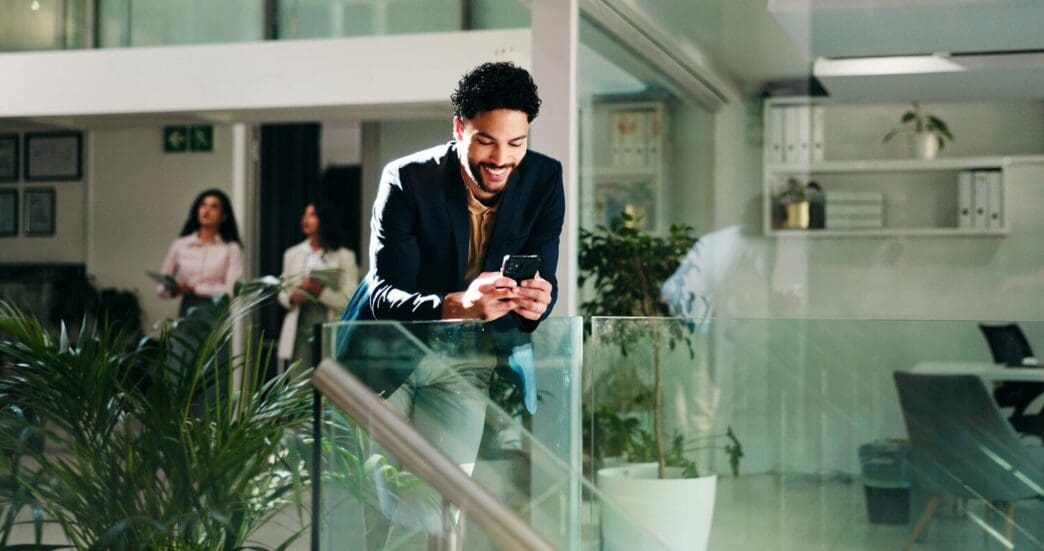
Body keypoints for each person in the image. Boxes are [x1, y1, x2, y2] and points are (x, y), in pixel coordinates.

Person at [339, 61, 564, 544]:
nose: (502, 158)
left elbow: (546, 276)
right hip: (388, 356)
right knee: (382, 506)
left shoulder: (544, 179)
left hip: (466, 360)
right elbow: (383, 293)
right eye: (486, 140)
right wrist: (459, 304)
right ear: (459, 127)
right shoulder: (406, 179)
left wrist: (538, 301)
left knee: (445, 499)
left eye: (516, 143)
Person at [277, 202, 358, 369]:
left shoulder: (344, 256)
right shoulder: (293, 253)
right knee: (297, 383)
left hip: (330, 329)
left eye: (312, 215)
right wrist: (293, 298)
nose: (306, 219)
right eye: (305, 215)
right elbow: (282, 290)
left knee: (329, 384)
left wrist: (319, 290)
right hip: (300, 328)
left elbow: (350, 300)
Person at [157, 189, 243, 315]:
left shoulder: (230, 248)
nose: (206, 211)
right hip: (188, 308)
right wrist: (175, 290)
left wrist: (195, 288)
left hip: (216, 310)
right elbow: (160, 287)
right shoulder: (180, 245)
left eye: (214, 207)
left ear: (223, 216)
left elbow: (232, 290)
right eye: (203, 205)